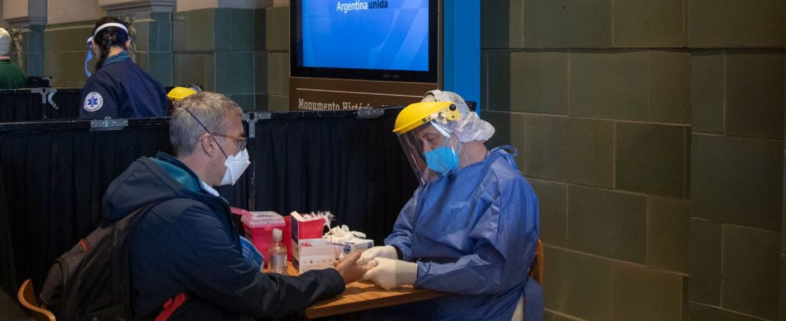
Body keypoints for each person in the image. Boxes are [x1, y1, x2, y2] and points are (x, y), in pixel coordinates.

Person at [102, 91, 366, 319]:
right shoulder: (185, 218)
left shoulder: (160, 185)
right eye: (239, 141)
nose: (244, 151)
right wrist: (336, 278)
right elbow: (258, 295)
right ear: (209, 144)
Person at [361, 90, 543, 321]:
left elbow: (492, 271)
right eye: (421, 142)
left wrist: (414, 273)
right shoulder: (438, 177)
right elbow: (408, 229)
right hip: (425, 298)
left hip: (477, 307)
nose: (426, 151)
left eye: (431, 139)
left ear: (460, 130)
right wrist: (394, 250)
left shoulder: (505, 186)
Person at [79, 17, 167, 119]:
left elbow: (92, 131)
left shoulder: (99, 82)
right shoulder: (153, 83)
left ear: (94, 45)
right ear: (128, 43)